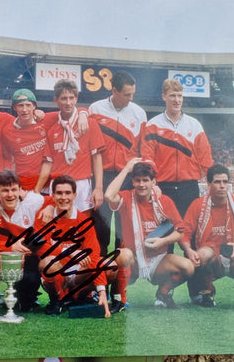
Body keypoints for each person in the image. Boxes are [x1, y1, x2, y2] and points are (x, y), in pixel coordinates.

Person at [104, 159, 194, 312]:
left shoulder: (164, 201)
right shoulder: (126, 198)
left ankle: (164, 293)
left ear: (154, 182)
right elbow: (108, 195)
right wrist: (126, 169)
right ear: (132, 181)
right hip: (133, 258)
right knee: (122, 255)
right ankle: (118, 298)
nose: (141, 184)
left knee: (188, 267)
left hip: (157, 260)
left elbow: (180, 231)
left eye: (146, 180)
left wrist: (163, 241)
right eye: (138, 180)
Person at [34, 175, 116, 317]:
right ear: (52, 196)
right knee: (48, 262)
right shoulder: (44, 217)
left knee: (110, 266)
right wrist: (69, 251)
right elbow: (41, 249)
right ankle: (57, 299)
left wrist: (102, 290)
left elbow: (94, 255)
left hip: (77, 272)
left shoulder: (83, 221)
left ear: (75, 195)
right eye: (59, 193)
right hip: (56, 270)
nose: (63, 197)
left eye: (67, 193)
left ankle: (81, 296)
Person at [88, 70, 148, 255]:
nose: (131, 98)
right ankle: (100, 277)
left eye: (133, 94)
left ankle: (122, 279)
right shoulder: (95, 109)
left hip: (126, 178)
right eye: (127, 94)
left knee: (124, 231)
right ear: (114, 90)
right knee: (101, 228)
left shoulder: (139, 113)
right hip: (101, 177)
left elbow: (143, 150)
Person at [0, 169, 45, 313]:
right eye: (5, 190)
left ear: (20, 189)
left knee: (27, 299)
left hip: (25, 257)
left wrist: (49, 207)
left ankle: (25, 297)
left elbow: (56, 202)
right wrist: (9, 247)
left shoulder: (34, 201)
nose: (10, 194)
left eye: (14, 189)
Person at [141, 78, 213, 217]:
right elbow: (147, 158)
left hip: (189, 188)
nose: (177, 100)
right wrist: (152, 184)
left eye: (180, 96)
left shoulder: (194, 125)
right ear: (164, 97)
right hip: (162, 187)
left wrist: (211, 182)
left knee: (189, 234)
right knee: (162, 234)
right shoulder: (152, 125)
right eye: (172, 95)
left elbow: (206, 158)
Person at [36, 79, 105, 216]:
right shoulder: (53, 130)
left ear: (76, 99)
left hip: (81, 184)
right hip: (58, 186)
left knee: (82, 227)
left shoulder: (89, 124)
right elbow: (48, 164)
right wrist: (37, 190)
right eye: (63, 98)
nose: (68, 102)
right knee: (57, 226)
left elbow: (97, 158)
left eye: (71, 98)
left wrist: (98, 188)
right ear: (56, 100)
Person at [180, 164, 234, 307]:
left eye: (225, 182)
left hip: (232, 254)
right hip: (211, 258)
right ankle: (206, 290)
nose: (222, 186)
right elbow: (185, 233)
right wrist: (189, 251)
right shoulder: (198, 205)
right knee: (201, 254)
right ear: (209, 184)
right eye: (217, 182)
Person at [1, 89, 52, 192]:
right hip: (24, 187)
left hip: (47, 186)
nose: (24, 109)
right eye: (20, 105)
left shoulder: (45, 120)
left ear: (34, 106)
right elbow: (8, 160)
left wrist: (83, 113)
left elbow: (70, 111)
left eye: (28, 105)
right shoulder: (7, 131)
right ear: (15, 107)